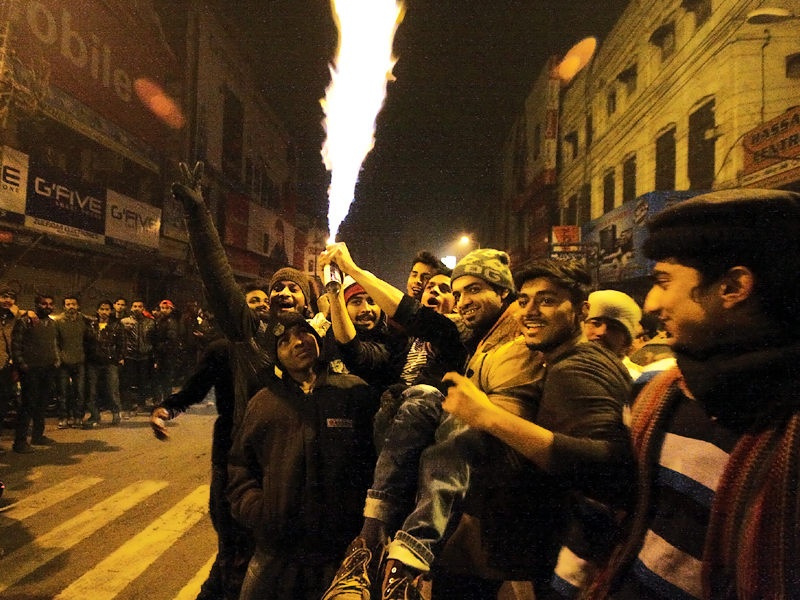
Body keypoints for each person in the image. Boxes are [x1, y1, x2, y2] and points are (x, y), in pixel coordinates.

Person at [584, 189, 800, 599]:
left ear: (734, 286)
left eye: (664, 281)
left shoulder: (786, 427)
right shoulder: (656, 391)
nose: (651, 303)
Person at [319, 246, 541, 600]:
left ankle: (398, 557)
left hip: (483, 500)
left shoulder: (509, 343)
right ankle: (375, 550)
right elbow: (373, 342)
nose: (461, 299)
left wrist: (478, 411)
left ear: (503, 292)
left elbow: (417, 316)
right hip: (407, 453)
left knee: (434, 404)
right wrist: (341, 284)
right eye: (459, 291)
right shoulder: (457, 339)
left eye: (473, 289)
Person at [227, 312, 378, 600]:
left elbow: (375, 462)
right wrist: (259, 512)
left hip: (339, 552)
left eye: (303, 333)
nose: (297, 343)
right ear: (275, 355)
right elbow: (239, 467)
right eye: (284, 341)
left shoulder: (353, 391)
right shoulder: (263, 403)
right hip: (276, 552)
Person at [11, 293, 58, 453]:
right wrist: (22, 365)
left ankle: (38, 436)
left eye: (50, 304)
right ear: (37, 304)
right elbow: (16, 344)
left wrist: (55, 361)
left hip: (47, 368)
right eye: (44, 304)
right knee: (28, 405)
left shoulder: (51, 323)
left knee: (42, 404)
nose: (48, 306)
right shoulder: (25, 321)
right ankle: (20, 441)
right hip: (31, 369)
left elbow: (54, 343)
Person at [583, 290, 643, 379]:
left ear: (626, 341)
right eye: (595, 323)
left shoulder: (636, 381)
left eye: (613, 327)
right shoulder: (561, 369)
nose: (601, 332)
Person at [85, 300, 124, 427]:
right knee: (92, 390)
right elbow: (86, 342)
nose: (104, 312)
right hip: (93, 362)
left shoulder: (117, 325)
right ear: (97, 310)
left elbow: (122, 344)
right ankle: (94, 415)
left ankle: (116, 414)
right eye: (102, 309)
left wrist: (118, 358)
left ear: (111, 311)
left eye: (107, 309)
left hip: (110, 362)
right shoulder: (91, 324)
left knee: (112, 389)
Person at [55, 294, 91, 427]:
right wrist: (58, 358)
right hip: (63, 362)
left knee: (79, 391)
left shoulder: (84, 320)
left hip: (80, 360)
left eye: (73, 304)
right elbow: (55, 342)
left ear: (78, 306)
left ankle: (78, 416)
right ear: (64, 306)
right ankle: (63, 417)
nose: (71, 307)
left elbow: (88, 340)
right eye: (68, 304)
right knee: (62, 392)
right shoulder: (58, 321)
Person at [120, 299, 155, 417]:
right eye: (134, 306)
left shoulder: (150, 322)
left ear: (143, 308)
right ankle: (128, 407)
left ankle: (141, 404)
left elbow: (154, 339)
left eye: (139, 306)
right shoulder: (124, 322)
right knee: (128, 382)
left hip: (145, 356)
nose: (137, 308)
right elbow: (121, 339)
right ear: (131, 308)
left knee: (143, 382)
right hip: (130, 356)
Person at [0, 289, 19, 451]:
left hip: (6, 365)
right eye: (4, 297)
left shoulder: (13, 316)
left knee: (3, 403)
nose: (7, 300)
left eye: (11, 298)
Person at [153, 299, 180, 404]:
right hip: (160, 353)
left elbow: (171, 339)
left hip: (167, 354)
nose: (164, 310)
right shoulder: (159, 321)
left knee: (166, 378)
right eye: (162, 308)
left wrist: (162, 347)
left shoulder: (171, 322)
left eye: (167, 308)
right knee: (159, 378)